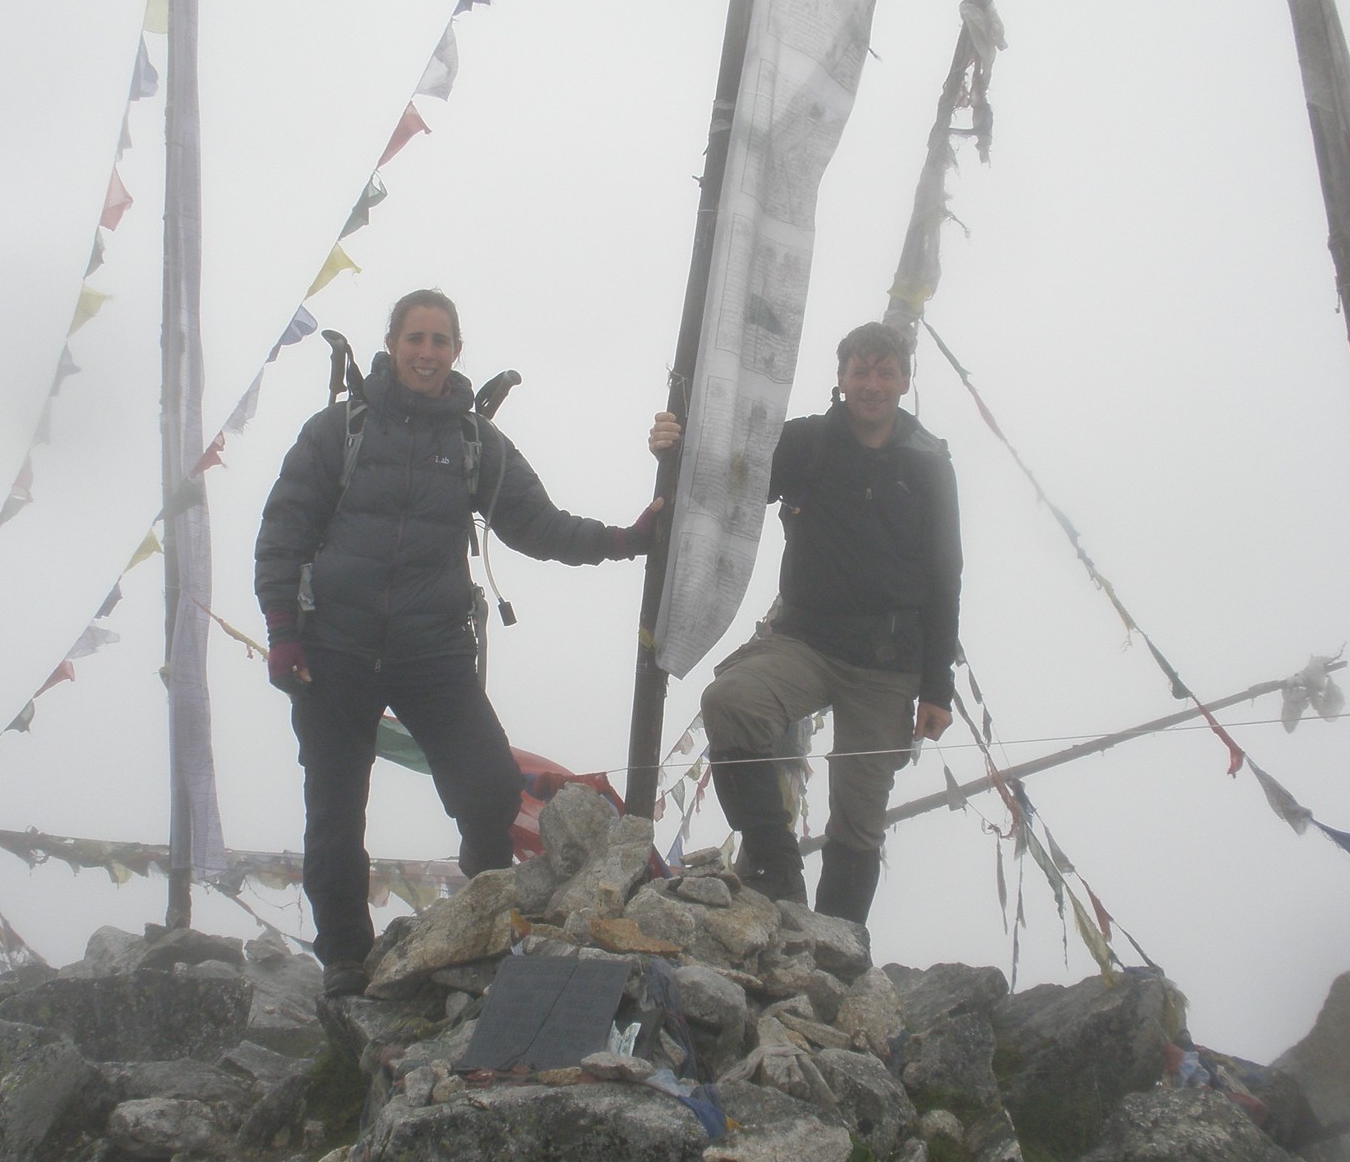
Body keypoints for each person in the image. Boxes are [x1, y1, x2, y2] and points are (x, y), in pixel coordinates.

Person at [256, 287, 663, 996]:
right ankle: (346, 963)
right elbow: (282, 537)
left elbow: (540, 527)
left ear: (455, 352)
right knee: (334, 809)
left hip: (431, 652)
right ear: (392, 346)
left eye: (440, 341)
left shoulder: (476, 443)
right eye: (415, 338)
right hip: (334, 650)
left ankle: (481, 898)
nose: (426, 352)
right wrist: (284, 635)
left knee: (490, 786)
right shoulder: (336, 430)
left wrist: (626, 541)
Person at [650, 321, 962, 925]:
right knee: (733, 701)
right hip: (805, 640)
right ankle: (775, 870)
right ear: (841, 378)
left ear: (904, 379)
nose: (872, 384)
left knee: (860, 815)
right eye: (860, 371)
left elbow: (946, 575)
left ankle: (837, 945)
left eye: (885, 371)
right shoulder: (809, 443)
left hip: (890, 662)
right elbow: (731, 475)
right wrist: (679, 443)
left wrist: (937, 687)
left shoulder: (929, 464)